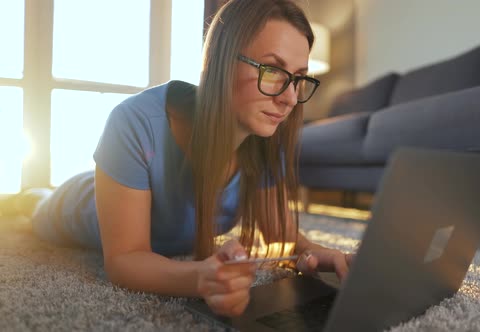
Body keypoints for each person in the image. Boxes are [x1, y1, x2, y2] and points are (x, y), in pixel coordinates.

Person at [0, 0, 354, 318]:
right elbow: (124, 259)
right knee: (38, 207)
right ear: (220, 61)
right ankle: (30, 195)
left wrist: (315, 253)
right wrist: (201, 278)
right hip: (78, 204)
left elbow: (280, 233)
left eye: (299, 78)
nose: (290, 99)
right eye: (272, 70)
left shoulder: (266, 137)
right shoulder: (136, 121)